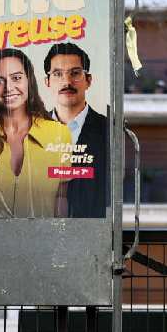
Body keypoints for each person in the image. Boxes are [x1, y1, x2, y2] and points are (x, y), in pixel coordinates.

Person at [0, 48, 72, 218]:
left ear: (29, 81)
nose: (9, 88)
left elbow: (61, 197)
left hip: (42, 243)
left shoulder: (59, 135)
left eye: (16, 78)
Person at [44, 43, 109, 218]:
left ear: (88, 80)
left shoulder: (109, 130)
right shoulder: (31, 131)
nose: (67, 82)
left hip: (92, 235)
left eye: (75, 73)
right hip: (39, 235)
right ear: (47, 82)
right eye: (57, 74)